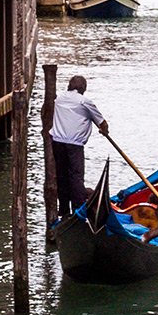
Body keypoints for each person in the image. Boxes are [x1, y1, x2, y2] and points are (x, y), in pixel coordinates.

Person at [49, 74, 108, 221]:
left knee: (62, 176)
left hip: (57, 142)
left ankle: (64, 210)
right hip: (74, 145)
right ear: (83, 88)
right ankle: (78, 210)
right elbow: (103, 123)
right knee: (76, 177)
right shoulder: (85, 102)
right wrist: (104, 131)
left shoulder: (59, 99)